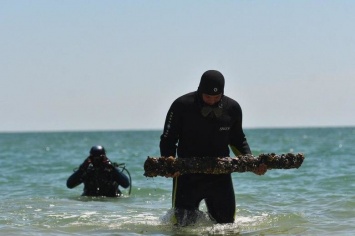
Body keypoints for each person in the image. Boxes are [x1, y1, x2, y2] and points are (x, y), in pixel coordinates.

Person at [159, 70, 267, 226]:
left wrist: (251, 162)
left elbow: (237, 140)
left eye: (216, 97)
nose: (212, 101)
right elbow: (168, 139)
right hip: (187, 176)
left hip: (220, 176)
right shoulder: (181, 105)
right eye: (208, 97)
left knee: (227, 227)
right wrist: (168, 162)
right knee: (182, 228)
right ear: (200, 90)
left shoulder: (233, 108)